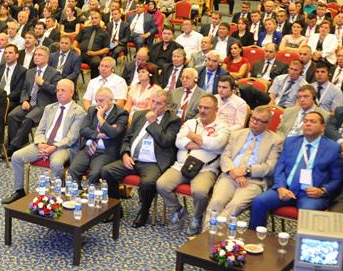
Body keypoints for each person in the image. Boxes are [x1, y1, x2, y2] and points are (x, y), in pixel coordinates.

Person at [249, 110, 343, 228]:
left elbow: (337, 179)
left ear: (322, 127)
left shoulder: (332, 148)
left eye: (313, 122)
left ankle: (302, 240)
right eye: (305, 121)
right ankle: (255, 237)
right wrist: (281, 187)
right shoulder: (291, 142)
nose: (307, 124)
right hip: (286, 189)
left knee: (308, 211)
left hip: (311, 195)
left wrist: (323, 190)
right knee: (259, 201)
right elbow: (279, 168)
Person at [102, 90, 181, 227]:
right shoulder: (139, 115)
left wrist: (153, 123)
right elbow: (127, 138)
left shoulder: (173, 120)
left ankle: (144, 212)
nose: (154, 106)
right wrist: (125, 154)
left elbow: (165, 141)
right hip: (132, 159)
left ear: (167, 106)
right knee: (107, 171)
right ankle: (115, 208)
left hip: (153, 163)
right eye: (152, 101)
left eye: (158, 103)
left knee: (148, 183)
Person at [157, 93, 231, 232]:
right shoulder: (190, 123)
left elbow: (217, 145)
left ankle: (196, 217)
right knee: (161, 185)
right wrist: (204, 144)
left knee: (200, 193)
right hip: (181, 165)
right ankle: (178, 210)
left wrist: (192, 136)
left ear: (216, 109)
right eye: (200, 107)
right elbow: (179, 142)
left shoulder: (223, 127)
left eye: (206, 108)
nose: (202, 111)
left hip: (205, 169)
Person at [3, 79, 85, 203]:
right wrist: (41, 143)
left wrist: (54, 147)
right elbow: (40, 130)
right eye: (58, 90)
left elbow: (71, 138)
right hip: (44, 144)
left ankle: (59, 193)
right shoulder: (49, 108)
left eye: (63, 90)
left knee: (56, 164)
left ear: (72, 92)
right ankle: (19, 191)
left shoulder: (79, 112)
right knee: (16, 156)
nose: (59, 93)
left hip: (63, 147)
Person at [204, 106, 283, 223]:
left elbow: (270, 167)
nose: (254, 122)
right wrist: (233, 172)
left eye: (259, 121)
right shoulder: (236, 134)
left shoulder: (275, 141)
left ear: (267, 124)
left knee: (235, 205)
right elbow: (225, 156)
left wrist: (246, 171)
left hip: (254, 181)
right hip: (230, 176)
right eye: (253, 118)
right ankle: (208, 233)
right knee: (216, 202)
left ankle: (216, 232)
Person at [69, 86, 128, 185]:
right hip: (88, 148)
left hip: (105, 151)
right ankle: (78, 193)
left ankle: (91, 194)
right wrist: (99, 135)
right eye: (96, 100)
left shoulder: (121, 114)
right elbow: (83, 130)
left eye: (101, 100)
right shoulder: (92, 110)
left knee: (94, 174)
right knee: (73, 170)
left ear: (111, 100)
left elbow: (113, 133)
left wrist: (101, 118)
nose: (98, 104)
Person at [7, 46, 60, 149]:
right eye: (35, 55)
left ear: (47, 58)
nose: (36, 57)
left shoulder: (54, 73)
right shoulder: (30, 72)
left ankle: (13, 147)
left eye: (40, 55)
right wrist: (24, 100)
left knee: (28, 119)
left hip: (43, 105)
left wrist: (43, 83)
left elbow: (55, 90)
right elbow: (24, 89)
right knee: (12, 115)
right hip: (29, 102)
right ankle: (16, 143)